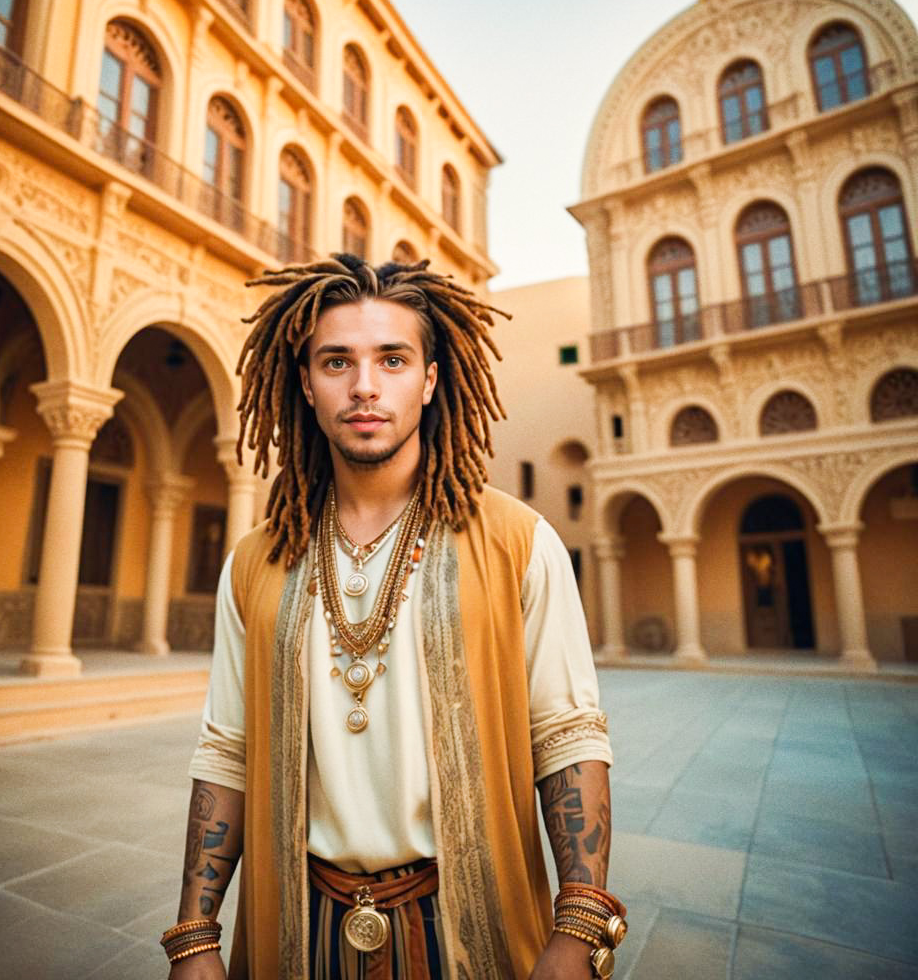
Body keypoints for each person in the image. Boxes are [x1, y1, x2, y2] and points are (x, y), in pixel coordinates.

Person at [162, 255, 624, 980]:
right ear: (307, 385)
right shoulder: (257, 561)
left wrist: (580, 922)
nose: (365, 386)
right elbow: (227, 747)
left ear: (431, 380)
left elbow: (567, 735)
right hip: (297, 932)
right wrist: (195, 934)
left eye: (393, 359)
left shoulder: (516, 541)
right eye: (337, 361)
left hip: (474, 928)